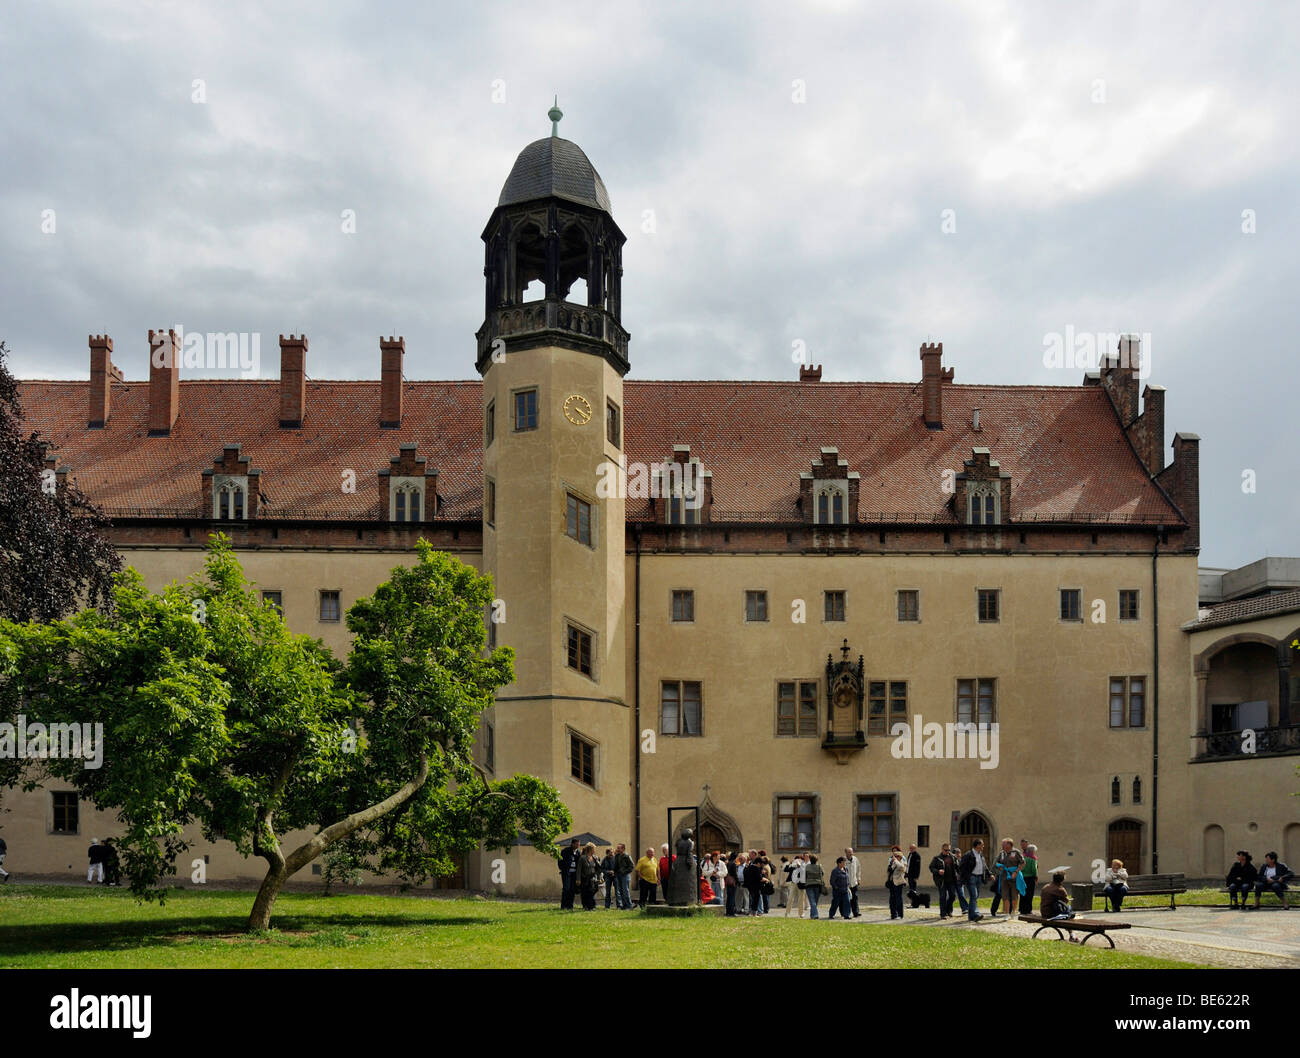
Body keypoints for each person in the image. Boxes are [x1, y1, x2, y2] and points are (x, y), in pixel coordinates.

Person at [1039, 870, 1078, 941]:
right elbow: (1065, 902)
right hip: (1052, 915)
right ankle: (1072, 935)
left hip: (1044, 912)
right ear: (1062, 880)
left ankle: (1072, 935)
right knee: (1069, 911)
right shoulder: (1060, 889)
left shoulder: (1046, 887)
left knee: (1067, 913)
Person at [993, 838, 1025, 918]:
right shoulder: (1002, 853)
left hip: (1015, 876)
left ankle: (1013, 911)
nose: (1002, 846)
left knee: (1014, 895)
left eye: (1004, 845)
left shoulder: (1016, 852)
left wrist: (1016, 872)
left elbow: (1023, 863)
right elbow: (996, 863)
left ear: (1010, 845)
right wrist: (999, 867)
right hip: (1004, 876)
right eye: (1002, 845)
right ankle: (1006, 913)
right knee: (1005, 895)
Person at [959, 839, 988, 921]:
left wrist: (990, 874)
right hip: (971, 877)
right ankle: (975, 914)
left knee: (975, 896)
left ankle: (971, 916)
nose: (983, 846)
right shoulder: (968, 855)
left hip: (979, 877)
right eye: (982, 845)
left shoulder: (981, 854)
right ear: (978, 845)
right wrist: (965, 876)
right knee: (974, 895)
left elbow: (984, 866)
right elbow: (961, 866)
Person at [929, 842, 959, 919]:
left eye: (949, 850)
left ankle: (948, 910)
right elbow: (931, 868)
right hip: (942, 881)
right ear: (942, 849)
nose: (948, 851)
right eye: (946, 850)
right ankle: (943, 914)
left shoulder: (953, 857)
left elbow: (957, 867)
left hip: (952, 880)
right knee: (943, 897)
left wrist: (959, 876)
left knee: (952, 896)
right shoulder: (937, 858)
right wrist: (938, 871)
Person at [886, 846, 908, 919]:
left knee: (898, 899)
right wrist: (891, 864)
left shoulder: (902, 862)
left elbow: (902, 868)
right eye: (894, 855)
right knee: (892, 899)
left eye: (896, 856)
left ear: (900, 857)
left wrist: (895, 861)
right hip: (892, 882)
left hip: (899, 882)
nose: (894, 857)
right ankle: (893, 914)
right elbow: (889, 870)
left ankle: (900, 914)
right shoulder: (893, 863)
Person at [558, 837, 580, 909]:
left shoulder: (578, 852)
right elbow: (560, 861)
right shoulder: (565, 851)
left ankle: (570, 905)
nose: (578, 846)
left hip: (574, 874)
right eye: (576, 844)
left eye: (579, 844)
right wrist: (563, 869)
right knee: (566, 889)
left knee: (572, 890)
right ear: (572, 844)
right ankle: (564, 906)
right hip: (566, 873)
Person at [578, 842, 600, 910]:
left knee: (592, 891)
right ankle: (586, 906)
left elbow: (598, 869)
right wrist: (578, 879)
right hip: (584, 878)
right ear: (590, 849)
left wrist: (599, 878)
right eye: (594, 849)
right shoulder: (582, 858)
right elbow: (579, 869)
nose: (595, 850)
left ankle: (591, 906)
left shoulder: (595, 858)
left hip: (593, 878)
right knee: (585, 892)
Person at [1019, 841, 1038, 915]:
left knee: (1022, 893)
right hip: (1030, 878)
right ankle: (1028, 910)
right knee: (1029, 894)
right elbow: (1034, 869)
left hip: (1022, 877)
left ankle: (1021, 909)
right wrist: (1036, 876)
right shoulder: (1033, 859)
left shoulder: (1023, 858)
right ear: (1032, 851)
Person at [613, 843, 634, 910]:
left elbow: (631, 866)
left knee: (625, 891)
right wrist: (615, 872)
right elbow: (616, 866)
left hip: (625, 875)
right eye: (617, 848)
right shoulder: (616, 856)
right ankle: (624, 906)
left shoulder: (627, 856)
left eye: (619, 848)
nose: (617, 849)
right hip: (618, 875)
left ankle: (629, 906)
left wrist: (624, 872)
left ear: (623, 849)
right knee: (621, 891)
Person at [803, 853, 825, 919]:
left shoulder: (807, 867)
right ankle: (814, 915)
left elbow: (805, 876)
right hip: (818, 885)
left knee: (812, 901)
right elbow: (822, 873)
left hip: (809, 885)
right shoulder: (819, 866)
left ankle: (814, 915)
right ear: (816, 860)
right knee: (815, 901)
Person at [745, 849, 764, 916]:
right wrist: (765, 879)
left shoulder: (749, 867)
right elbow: (759, 878)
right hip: (756, 886)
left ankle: (752, 912)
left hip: (750, 886)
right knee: (756, 899)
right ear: (758, 863)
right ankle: (755, 913)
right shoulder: (756, 868)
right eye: (760, 864)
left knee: (753, 899)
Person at [845, 847, 862, 917]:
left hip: (854, 882)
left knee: (855, 897)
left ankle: (856, 912)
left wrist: (859, 878)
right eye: (849, 852)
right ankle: (846, 912)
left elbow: (858, 869)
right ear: (845, 853)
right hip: (846, 883)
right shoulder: (843, 860)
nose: (851, 853)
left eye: (851, 852)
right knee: (846, 899)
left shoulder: (855, 859)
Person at [724, 851, 739, 916]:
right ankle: (732, 912)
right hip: (732, 882)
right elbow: (735, 874)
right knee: (732, 897)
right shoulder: (733, 864)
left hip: (728, 881)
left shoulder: (728, 863)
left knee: (729, 897)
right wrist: (737, 881)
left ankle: (728, 911)